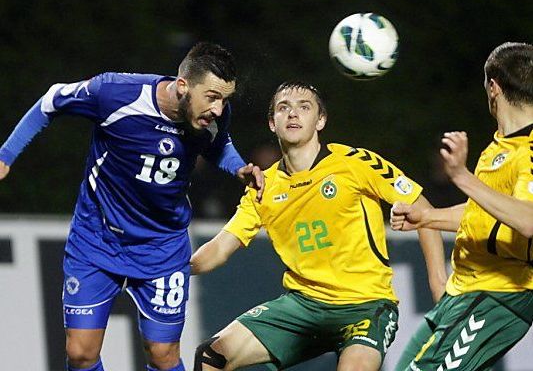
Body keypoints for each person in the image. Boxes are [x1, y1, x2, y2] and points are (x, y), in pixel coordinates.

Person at [0, 42, 264, 371]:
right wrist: (6, 155)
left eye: (225, 99)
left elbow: (218, 144)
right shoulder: (114, 93)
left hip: (162, 246)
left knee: (163, 355)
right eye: (212, 97)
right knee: (81, 353)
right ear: (183, 86)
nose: (219, 109)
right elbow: (51, 100)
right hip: (97, 239)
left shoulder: (211, 115)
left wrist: (238, 168)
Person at [190, 81, 447, 371]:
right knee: (212, 354)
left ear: (320, 121)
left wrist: (439, 287)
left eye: (304, 107)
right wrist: (171, 266)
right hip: (303, 306)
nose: (293, 114)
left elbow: (424, 209)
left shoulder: (355, 163)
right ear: (272, 123)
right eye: (283, 108)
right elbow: (219, 248)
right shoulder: (263, 187)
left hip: (365, 306)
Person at [390, 42, 533, 371]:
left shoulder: (529, 150)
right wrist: (428, 217)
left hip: (498, 297)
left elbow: (528, 221)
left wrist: (461, 175)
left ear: (493, 87)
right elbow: (486, 214)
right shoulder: (499, 146)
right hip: (463, 294)